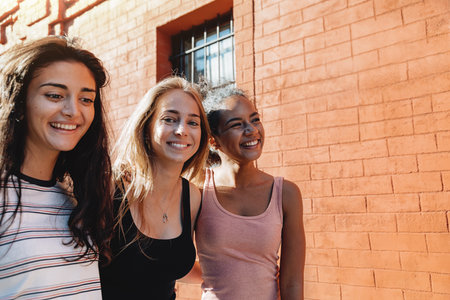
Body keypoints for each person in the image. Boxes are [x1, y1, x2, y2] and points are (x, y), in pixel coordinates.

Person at [0, 36, 113, 299]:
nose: (73, 111)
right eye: (54, 95)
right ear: (19, 102)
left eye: (86, 99)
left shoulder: (80, 196)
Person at [99, 76, 210, 299]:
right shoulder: (111, 188)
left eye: (193, 122)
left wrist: (239, 274)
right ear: (146, 126)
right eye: (170, 119)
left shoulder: (192, 196)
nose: (182, 130)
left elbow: (166, 263)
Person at [194, 84, 305, 299]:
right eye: (237, 124)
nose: (252, 130)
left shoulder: (286, 193)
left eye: (255, 119)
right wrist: (215, 276)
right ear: (212, 141)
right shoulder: (198, 190)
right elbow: (175, 260)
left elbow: (292, 282)